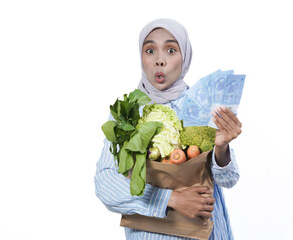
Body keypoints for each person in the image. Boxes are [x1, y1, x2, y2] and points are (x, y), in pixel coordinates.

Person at [95, 18, 242, 239]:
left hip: (207, 231)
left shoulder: (202, 104)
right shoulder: (128, 113)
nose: (159, 61)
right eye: (150, 50)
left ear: (185, 57)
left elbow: (228, 180)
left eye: (171, 50)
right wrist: (171, 199)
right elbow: (105, 184)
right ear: (141, 57)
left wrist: (222, 148)